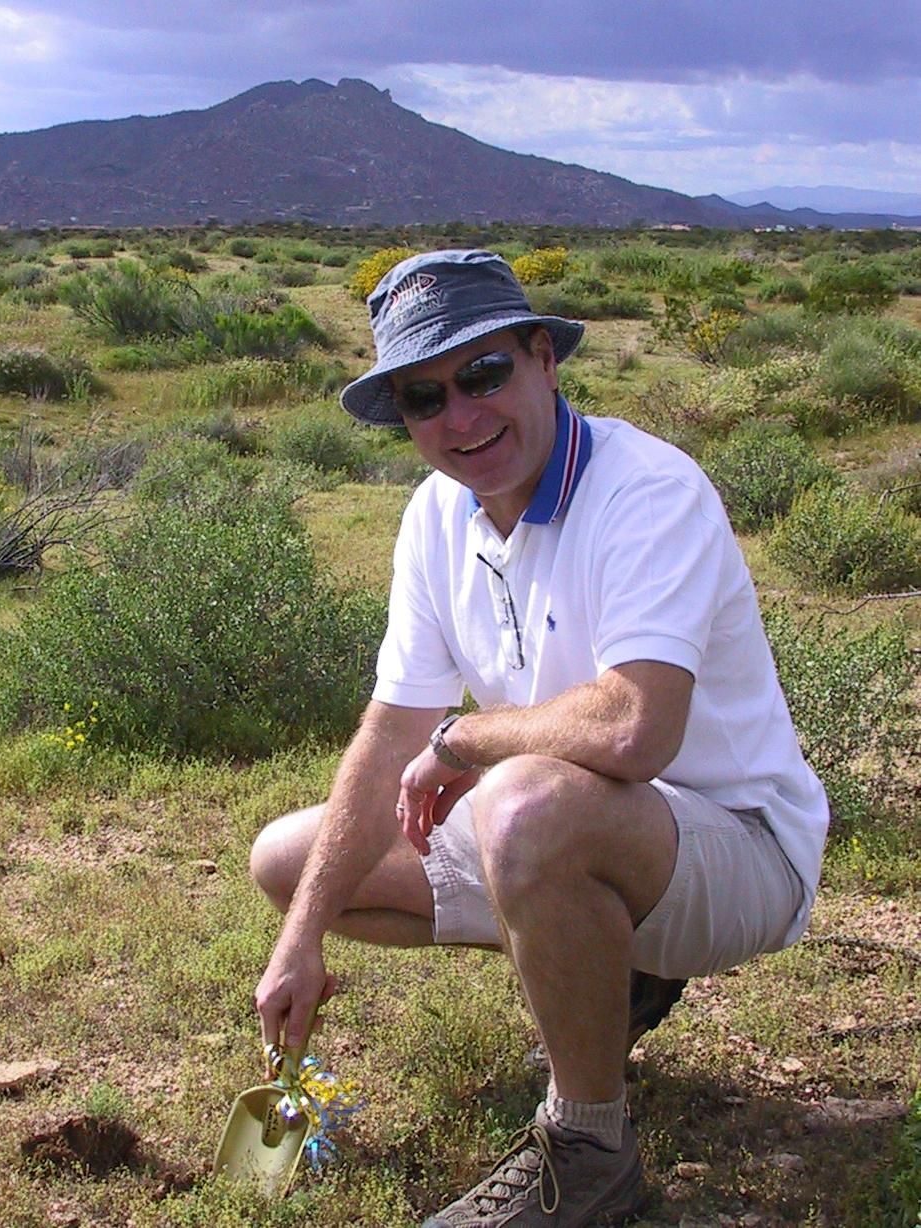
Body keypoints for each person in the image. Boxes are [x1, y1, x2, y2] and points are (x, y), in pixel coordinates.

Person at [250, 248, 829, 1227]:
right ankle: (611, 977)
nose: (461, 417)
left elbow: (636, 726)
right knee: (291, 861)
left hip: (741, 848)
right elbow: (390, 731)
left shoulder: (646, 490)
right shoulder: (436, 517)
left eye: (483, 374)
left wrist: (466, 739)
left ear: (542, 360)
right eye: (425, 397)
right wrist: (299, 939)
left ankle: (589, 1152)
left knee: (521, 802)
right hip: (582, 829)